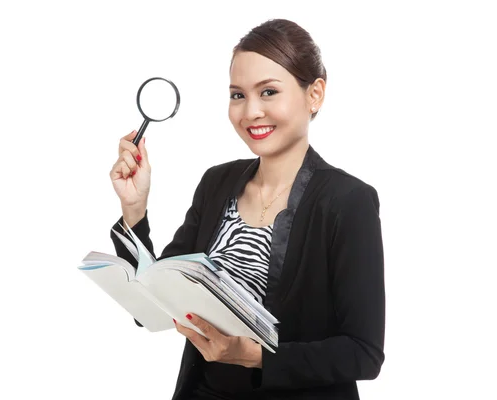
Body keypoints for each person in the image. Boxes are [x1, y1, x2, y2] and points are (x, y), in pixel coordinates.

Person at [109, 18, 385, 400]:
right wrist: (134, 209)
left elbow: (364, 353)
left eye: (268, 91)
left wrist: (256, 357)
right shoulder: (216, 184)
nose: (250, 111)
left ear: (315, 94)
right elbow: (152, 306)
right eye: (237, 95)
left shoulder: (347, 201)